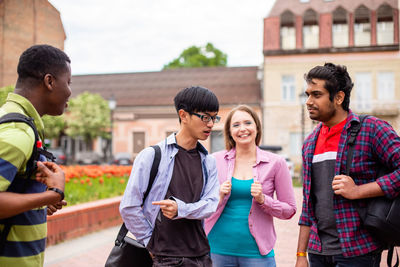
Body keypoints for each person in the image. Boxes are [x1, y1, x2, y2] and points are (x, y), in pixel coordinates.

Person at [295, 63, 400, 267]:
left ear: (339, 97)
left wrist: (358, 191)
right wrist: (301, 254)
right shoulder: (309, 144)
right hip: (318, 251)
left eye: (316, 94)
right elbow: (308, 205)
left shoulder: (371, 129)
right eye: (307, 94)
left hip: (358, 249)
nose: (308, 101)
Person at [120, 86, 221, 267]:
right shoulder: (152, 155)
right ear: (183, 115)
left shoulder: (209, 161)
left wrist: (180, 209)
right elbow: (129, 206)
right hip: (166, 258)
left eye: (214, 118)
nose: (211, 124)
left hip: (203, 255)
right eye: (205, 117)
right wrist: (151, 243)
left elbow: (211, 204)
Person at [0, 45, 70, 266]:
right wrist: (52, 195)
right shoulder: (18, 131)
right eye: (68, 82)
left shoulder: (12, 119)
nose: (69, 92)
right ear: (49, 82)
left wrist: (34, 200)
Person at [204, 105, 297, 267]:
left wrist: (264, 200)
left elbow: (289, 210)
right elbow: (200, 205)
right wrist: (217, 197)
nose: (242, 129)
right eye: (236, 125)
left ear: (257, 127)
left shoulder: (276, 163)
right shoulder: (214, 160)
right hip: (216, 250)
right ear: (229, 131)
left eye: (247, 123)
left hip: (257, 253)